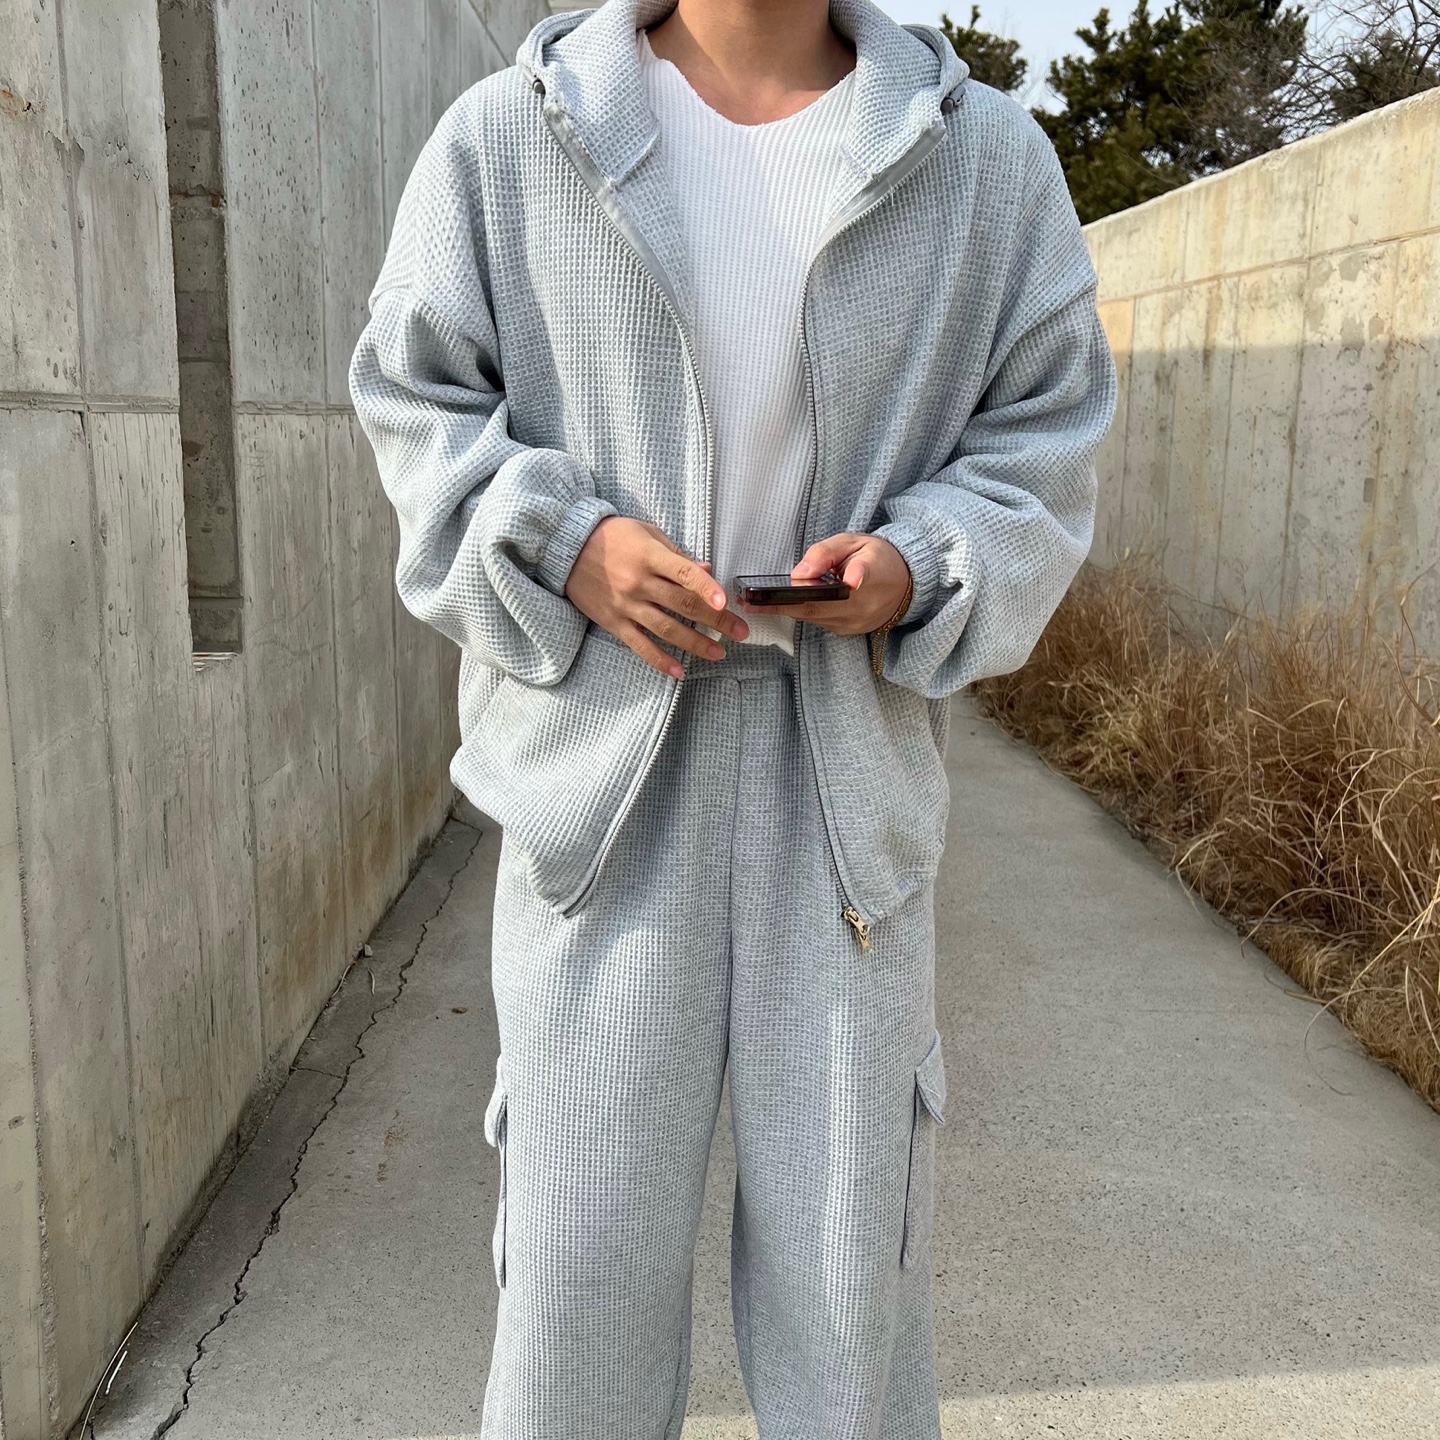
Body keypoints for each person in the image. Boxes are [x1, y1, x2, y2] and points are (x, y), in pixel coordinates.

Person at [350, 0, 1115, 1433]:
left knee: (847, 1287)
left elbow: (1045, 433)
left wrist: (921, 562)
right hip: (603, 779)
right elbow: (414, 396)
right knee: (578, 1275)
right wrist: (563, 540)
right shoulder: (515, 137)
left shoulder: (981, 162)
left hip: (844, 789)